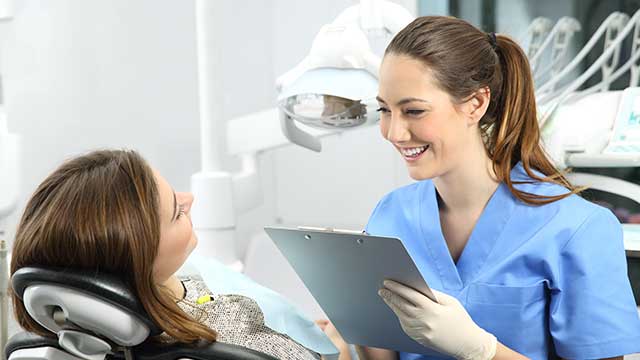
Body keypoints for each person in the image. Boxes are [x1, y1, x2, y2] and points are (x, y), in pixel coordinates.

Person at [356, 15, 640, 360]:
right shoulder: (391, 215)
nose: (394, 132)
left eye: (413, 111)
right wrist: (352, 319)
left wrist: (482, 350)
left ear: (476, 103)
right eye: (385, 110)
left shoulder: (577, 228)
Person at [9, 149, 348, 360]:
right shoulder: (225, 335)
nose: (189, 199)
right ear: (142, 261)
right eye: (176, 212)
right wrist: (339, 343)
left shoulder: (64, 338)